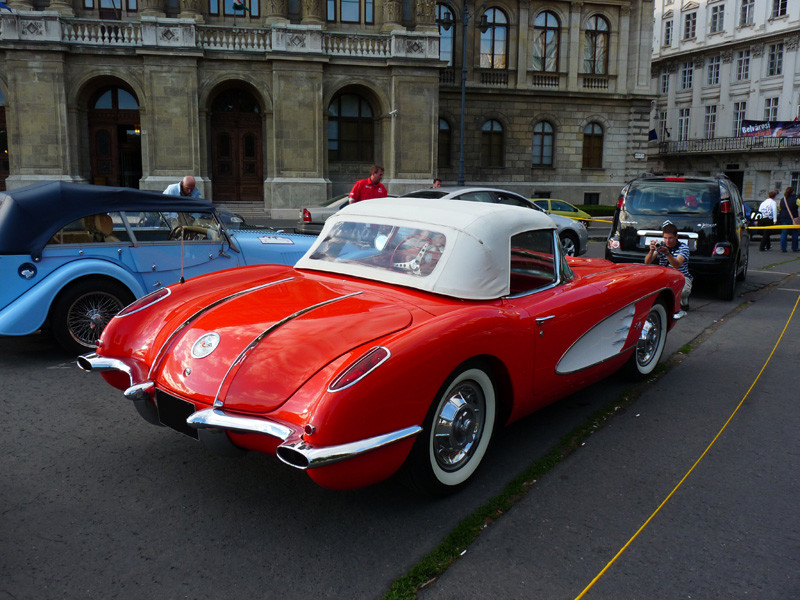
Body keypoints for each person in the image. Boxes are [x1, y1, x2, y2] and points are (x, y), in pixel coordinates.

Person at [645, 222, 692, 313]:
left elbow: (677, 264)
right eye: (665, 238)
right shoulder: (661, 245)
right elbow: (647, 262)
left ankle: (683, 300)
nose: (668, 241)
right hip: (665, 276)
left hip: (681, 276)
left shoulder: (683, 247)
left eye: (670, 238)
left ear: (676, 237)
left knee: (683, 292)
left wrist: (667, 253)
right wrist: (651, 251)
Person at [777, 186, 799, 252]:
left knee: (784, 233)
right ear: (793, 192)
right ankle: (795, 247)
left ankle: (783, 248)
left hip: (784, 218)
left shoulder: (782, 200)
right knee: (795, 233)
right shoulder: (796, 199)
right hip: (793, 218)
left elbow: (779, 208)